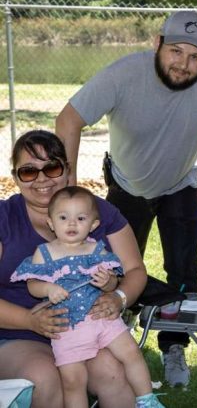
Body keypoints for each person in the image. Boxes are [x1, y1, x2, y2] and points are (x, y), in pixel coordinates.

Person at [55, 10, 197, 386]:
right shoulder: (125, 73)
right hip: (127, 185)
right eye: (176, 51)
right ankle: (112, 334)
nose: (184, 64)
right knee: (110, 271)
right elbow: (68, 120)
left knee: (184, 273)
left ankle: (174, 347)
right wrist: (67, 189)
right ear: (157, 43)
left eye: (195, 56)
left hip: (179, 184)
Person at [0, 130, 147, 408]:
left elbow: (135, 269)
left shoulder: (97, 212)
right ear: (16, 176)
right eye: (29, 171)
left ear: (67, 169)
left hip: (85, 327)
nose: (42, 179)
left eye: (52, 167)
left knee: (113, 372)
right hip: (15, 332)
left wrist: (119, 298)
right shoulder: (4, 218)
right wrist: (30, 321)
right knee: (44, 378)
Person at [11, 186, 163, 408]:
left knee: (131, 352)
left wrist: (109, 283)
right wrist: (47, 289)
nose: (71, 224)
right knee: (73, 380)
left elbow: (114, 279)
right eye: (63, 218)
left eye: (80, 218)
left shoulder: (96, 251)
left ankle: (147, 399)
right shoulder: (44, 253)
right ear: (51, 223)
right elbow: (32, 284)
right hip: (67, 327)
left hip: (100, 318)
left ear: (93, 224)